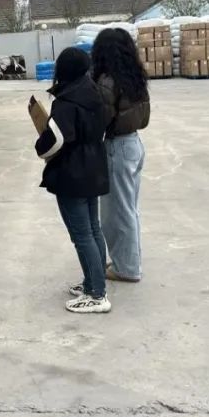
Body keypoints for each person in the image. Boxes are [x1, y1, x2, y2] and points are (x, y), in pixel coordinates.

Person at [35, 47, 114, 314]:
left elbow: (55, 140)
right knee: (93, 229)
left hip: (73, 173)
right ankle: (93, 281)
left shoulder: (66, 101)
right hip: (94, 167)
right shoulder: (95, 93)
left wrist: (40, 147)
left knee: (82, 235)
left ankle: (96, 294)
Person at [92, 27, 150, 283]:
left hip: (117, 149)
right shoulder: (135, 76)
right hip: (134, 144)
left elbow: (100, 120)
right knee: (129, 210)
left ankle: (127, 269)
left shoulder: (108, 82)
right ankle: (127, 261)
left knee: (117, 213)